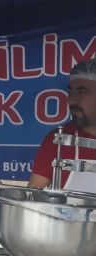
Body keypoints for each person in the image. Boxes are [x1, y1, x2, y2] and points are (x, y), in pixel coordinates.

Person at [29, 58, 96, 192]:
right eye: (71, 91)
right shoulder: (57, 139)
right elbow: (33, 195)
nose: (73, 100)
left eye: (82, 92)